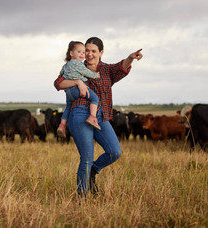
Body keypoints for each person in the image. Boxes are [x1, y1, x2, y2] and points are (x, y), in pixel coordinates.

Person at [54, 37, 143, 196]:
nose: (89, 54)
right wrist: (77, 82)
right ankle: (82, 196)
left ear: (101, 53)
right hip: (80, 113)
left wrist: (130, 58)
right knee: (87, 157)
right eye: (86, 50)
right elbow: (58, 83)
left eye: (93, 51)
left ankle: (93, 171)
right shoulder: (75, 66)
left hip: (101, 116)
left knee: (114, 152)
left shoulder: (107, 70)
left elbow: (121, 67)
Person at [57, 41, 101, 138]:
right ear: (71, 53)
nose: (82, 54)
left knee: (68, 107)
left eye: (83, 52)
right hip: (78, 89)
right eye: (79, 52)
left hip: (68, 91)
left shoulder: (66, 65)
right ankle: (92, 117)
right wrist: (96, 75)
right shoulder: (78, 64)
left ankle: (62, 125)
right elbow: (87, 73)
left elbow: (61, 74)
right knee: (95, 99)